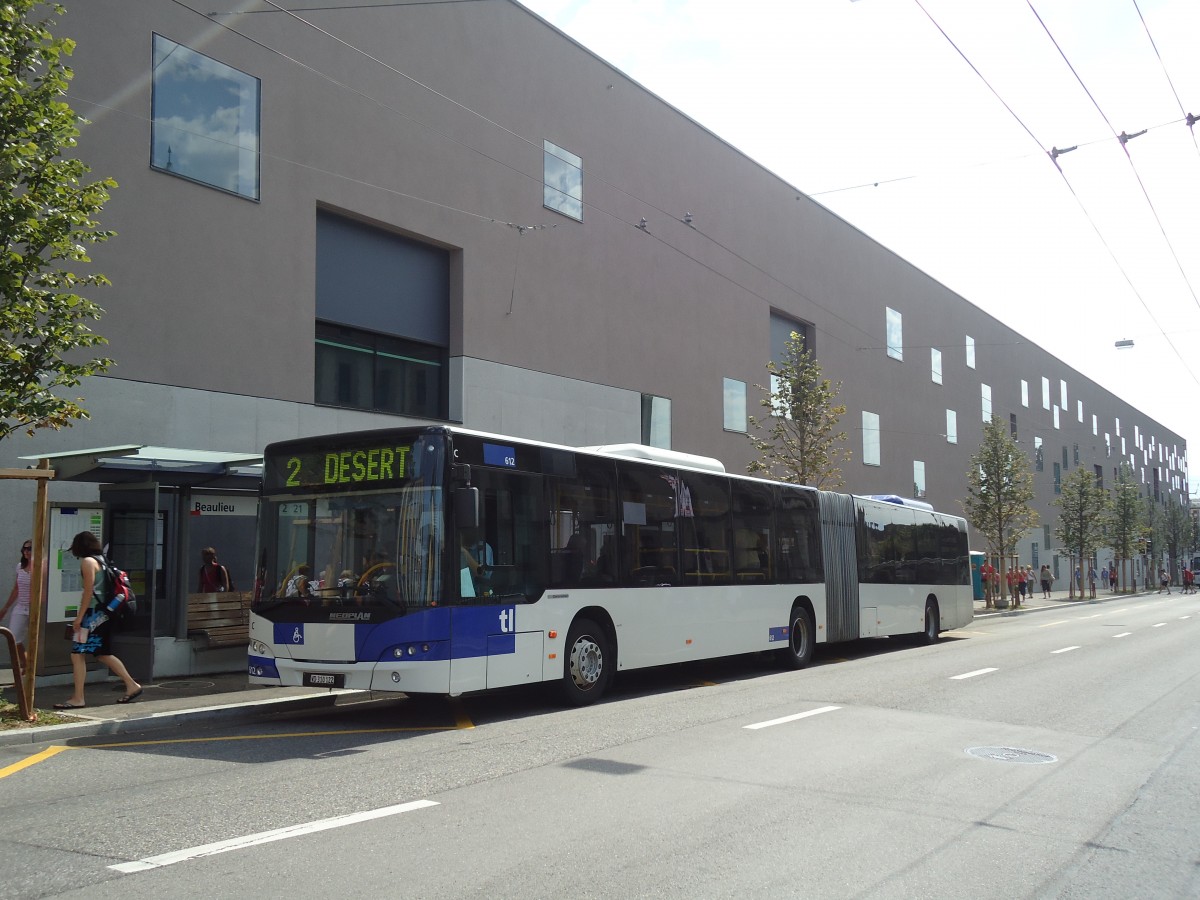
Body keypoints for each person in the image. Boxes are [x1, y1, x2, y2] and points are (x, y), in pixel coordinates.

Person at [55, 531, 142, 709]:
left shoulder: (88, 562)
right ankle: (131, 685)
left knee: (78, 654)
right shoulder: (102, 560)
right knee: (101, 653)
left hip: (93, 614)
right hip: (104, 614)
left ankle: (78, 698)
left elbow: (88, 592)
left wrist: (79, 618)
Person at [0, 539, 33, 674]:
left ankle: (29, 672)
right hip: (21, 606)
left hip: (35, 609)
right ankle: (25, 665)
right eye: (24, 549)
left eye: (29, 549)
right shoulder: (20, 566)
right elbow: (16, 589)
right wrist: (5, 608)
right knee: (14, 639)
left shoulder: (41, 566)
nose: (26, 551)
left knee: (35, 640)